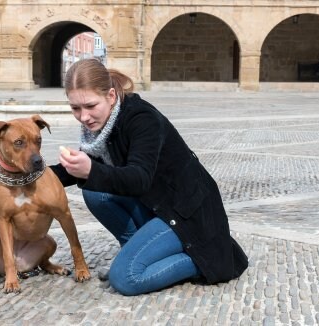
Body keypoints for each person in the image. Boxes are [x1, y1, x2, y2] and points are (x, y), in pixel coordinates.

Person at [50, 58, 248, 296]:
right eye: (75, 108)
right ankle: (135, 251)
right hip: (156, 205)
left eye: (90, 106)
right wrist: (27, 175)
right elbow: (85, 169)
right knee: (94, 191)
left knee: (125, 279)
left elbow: (139, 178)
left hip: (185, 213)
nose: (83, 116)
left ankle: (207, 257)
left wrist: (91, 170)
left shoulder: (142, 119)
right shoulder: (103, 126)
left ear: (111, 96)